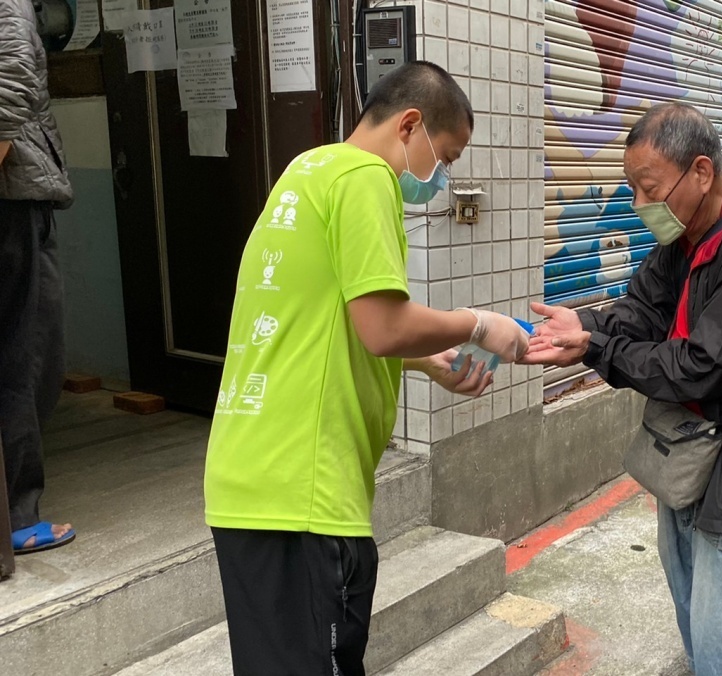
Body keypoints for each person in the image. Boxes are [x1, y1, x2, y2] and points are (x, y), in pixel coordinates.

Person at [203, 62, 530, 676]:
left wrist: (424, 361)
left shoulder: (307, 170)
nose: (443, 176)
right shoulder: (365, 178)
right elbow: (383, 324)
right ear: (411, 126)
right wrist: (479, 325)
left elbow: (325, 321)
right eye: (447, 156)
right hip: (305, 489)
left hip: (250, 479)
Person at [521, 102, 722, 676]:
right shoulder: (685, 238)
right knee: (703, 629)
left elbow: (700, 366)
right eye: (632, 188)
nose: (639, 205)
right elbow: (639, 309)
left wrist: (595, 347)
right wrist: (583, 327)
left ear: (701, 173)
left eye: (648, 187)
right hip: (695, 458)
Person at [1, 0, 75, 554]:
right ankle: (19, 515)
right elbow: (11, 81)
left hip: (21, 191)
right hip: (12, 197)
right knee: (24, 357)